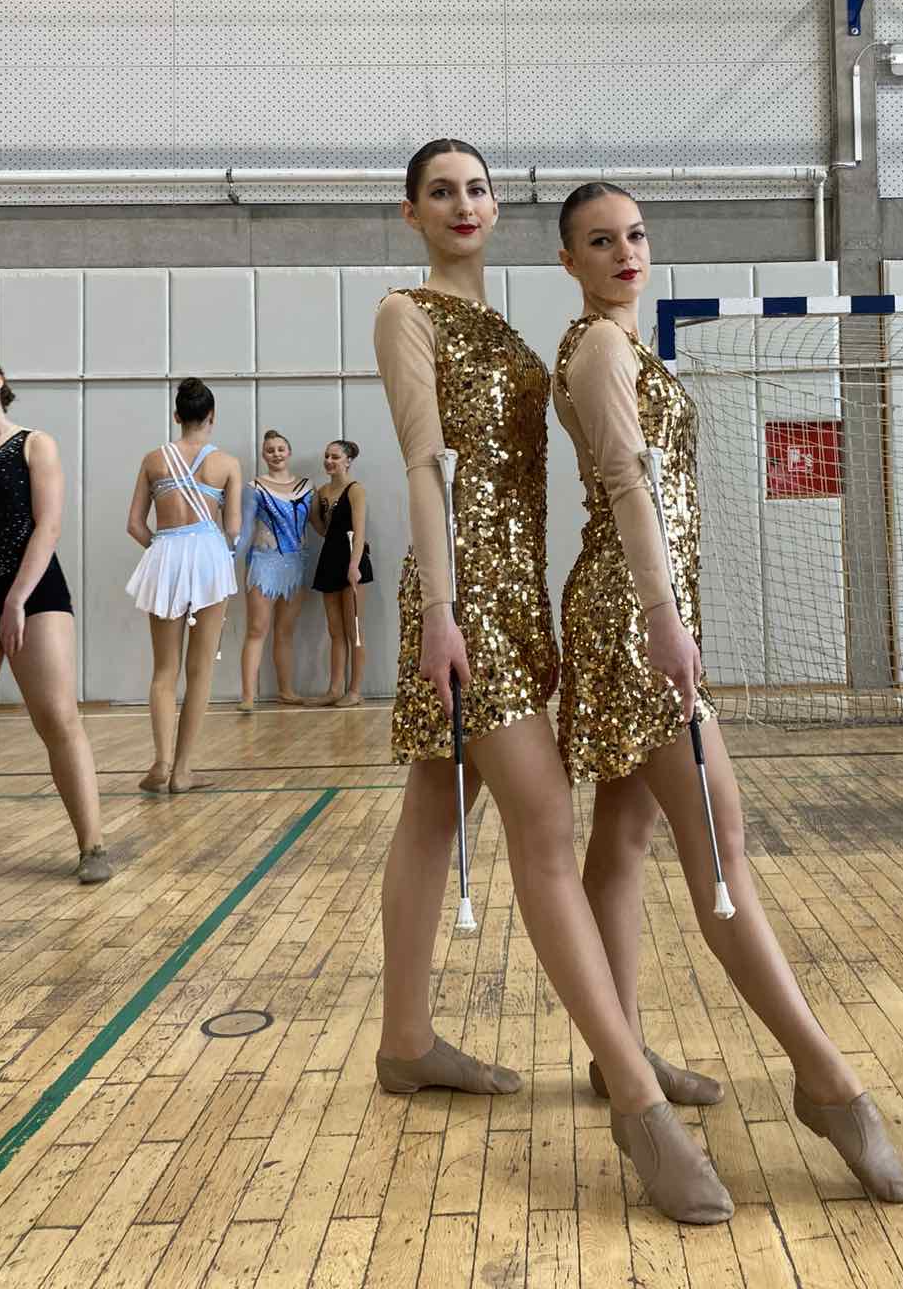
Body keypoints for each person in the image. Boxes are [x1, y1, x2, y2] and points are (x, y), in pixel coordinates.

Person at [373, 138, 733, 1225]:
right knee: (543, 820)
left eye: (477, 188)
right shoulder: (406, 313)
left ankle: (405, 1041)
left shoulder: (515, 333)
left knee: (433, 811)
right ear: (411, 213)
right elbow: (425, 468)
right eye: (441, 191)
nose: (463, 203)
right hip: (465, 602)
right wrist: (443, 612)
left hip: (521, 596)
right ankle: (632, 1097)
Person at [553, 182, 903, 1204]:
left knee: (623, 838)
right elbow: (628, 486)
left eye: (634, 235)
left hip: (644, 604)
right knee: (721, 845)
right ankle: (826, 1081)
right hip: (632, 612)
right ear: (570, 262)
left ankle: (617, 1050)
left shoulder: (626, 344)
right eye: (599, 241)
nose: (625, 252)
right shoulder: (600, 348)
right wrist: (663, 616)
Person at [0, 361, 111, 883]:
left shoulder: (33, 444)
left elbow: (48, 527)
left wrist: (15, 599)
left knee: (58, 718)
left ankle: (93, 846)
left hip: (33, 588)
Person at [125, 377, 240, 794]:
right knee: (200, 669)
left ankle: (161, 761)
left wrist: (163, 551)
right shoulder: (227, 464)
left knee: (164, 670)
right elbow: (233, 528)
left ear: (177, 416)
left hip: (166, 554)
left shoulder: (153, 459)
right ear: (211, 416)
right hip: (209, 556)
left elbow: (135, 524)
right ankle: (183, 771)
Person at [237, 429, 312, 711]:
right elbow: (245, 530)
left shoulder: (307, 487)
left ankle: (286, 690)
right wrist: (229, 560)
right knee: (257, 628)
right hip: (263, 562)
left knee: (285, 630)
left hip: (296, 563)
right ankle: (247, 695)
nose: (276, 454)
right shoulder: (254, 488)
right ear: (263, 455)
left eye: (281, 449)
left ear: (288, 452)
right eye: (270, 450)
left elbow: (318, 523)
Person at [308, 441, 371, 707]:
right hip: (330, 559)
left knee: (353, 630)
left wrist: (354, 565)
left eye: (335, 456)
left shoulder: (355, 490)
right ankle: (335, 689)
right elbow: (323, 529)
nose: (329, 460)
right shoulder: (323, 491)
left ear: (348, 461)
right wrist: (312, 506)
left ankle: (355, 690)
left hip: (352, 560)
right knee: (334, 630)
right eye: (326, 456)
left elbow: (359, 531)